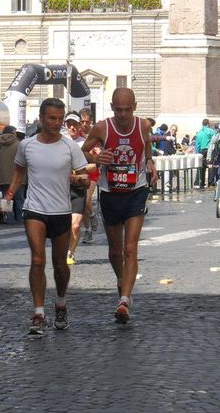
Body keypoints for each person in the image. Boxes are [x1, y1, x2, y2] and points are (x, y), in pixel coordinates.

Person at [3, 98, 89, 335]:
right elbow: (19, 173)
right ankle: (38, 312)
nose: (56, 123)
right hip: (35, 210)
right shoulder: (27, 145)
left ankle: (60, 303)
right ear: (41, 118)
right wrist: (9, 194)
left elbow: (86, 178)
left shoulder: (70, 146)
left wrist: (78, 179)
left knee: (60, 265)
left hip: (61, 210)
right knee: (37, 260)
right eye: (52, 118)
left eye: (60, 119)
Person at [81, 88, 157, 324]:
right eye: (118, 110)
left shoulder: (143, 125)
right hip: (110, 191)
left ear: (134, 106)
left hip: (136, 190)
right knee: (115, 250)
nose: (123, 115)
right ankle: (122, 280)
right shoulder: (103, 128)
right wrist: (96, 157)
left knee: (130, 248)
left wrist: (149, 161)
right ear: (112, 108)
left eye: (127, 109)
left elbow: (146, 145)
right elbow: (82, 151)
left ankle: (124, 299)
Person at [64, 111, 93, 265]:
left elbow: (95, 164)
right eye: (69, 124)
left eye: (74, 124)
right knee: (65, 226)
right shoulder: (59, 142)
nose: (72, 127)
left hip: (78, 188)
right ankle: (64, 248)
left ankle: (71, 252)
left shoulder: (85, 143)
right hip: (61, 189)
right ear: (65, 125)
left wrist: (80, 170)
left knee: (75, 225)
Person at [0, 125, 25, 224]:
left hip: (3, 176)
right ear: (13, 133)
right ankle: (20, 218)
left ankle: (8, 219)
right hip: (18, 177)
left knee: (6, 198)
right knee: (19, 199)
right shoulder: (20, 145)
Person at [79, 107, 99, 244]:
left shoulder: (96, 133)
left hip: (93, 170)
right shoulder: (76, 133)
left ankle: (92, 215)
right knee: (81, 204)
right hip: (80, 170)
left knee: (86, 199)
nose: (84, 124)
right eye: (82, 122)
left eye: (87, 122)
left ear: (91, 121)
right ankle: (87, 230)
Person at [194, 119, 215, 187]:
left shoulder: (199, 132)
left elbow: (197, 144)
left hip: (201, 151)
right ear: (208, 124)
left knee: (201, 167)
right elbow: (215, 140)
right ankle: (210, 182)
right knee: (210, 166)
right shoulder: (211, 131)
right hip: (209, 150)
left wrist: (197, 152)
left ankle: (200, 182)